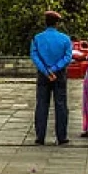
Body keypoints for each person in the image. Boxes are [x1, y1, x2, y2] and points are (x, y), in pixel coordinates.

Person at [30, 10, 72, 146]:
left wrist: (46, 70)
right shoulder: (65, 39)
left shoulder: (37, 38)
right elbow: (67, 57)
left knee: (42, 104)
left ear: (45, 22)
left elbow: (34, 55)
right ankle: (62, 136)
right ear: (57, 23)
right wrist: (54, 69)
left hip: (43, 74)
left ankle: (40, 136)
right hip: (59, 74)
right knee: (61, 105)